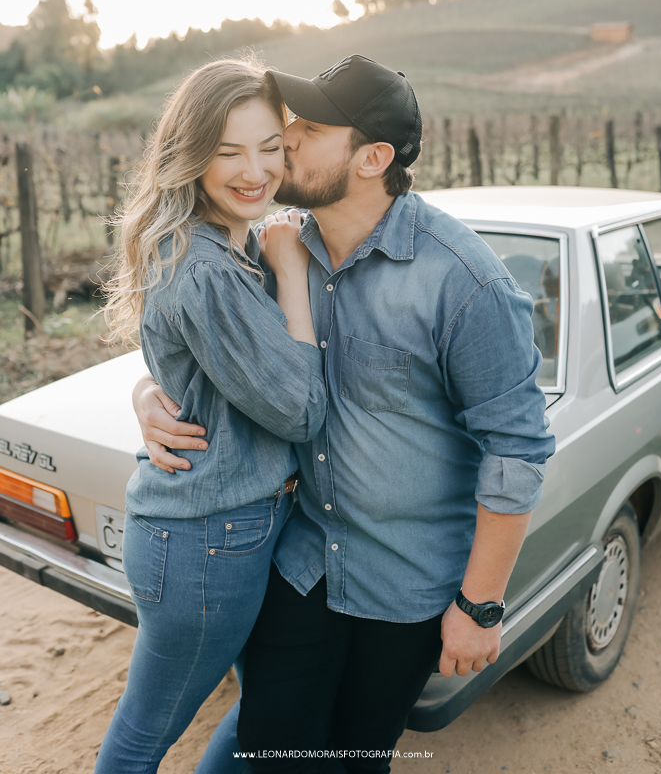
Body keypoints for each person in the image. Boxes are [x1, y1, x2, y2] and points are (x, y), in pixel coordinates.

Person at [134, 54, 555, 773]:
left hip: (406, 587)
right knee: (271, 753)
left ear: (372, 158)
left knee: (353, 761)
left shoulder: (463, 280)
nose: (284, 140)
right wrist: (147, 391)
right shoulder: (278, 248)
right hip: (298, 563)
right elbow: (207, 342)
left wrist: (480, 604)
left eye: (308, 127)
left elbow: (515, 450)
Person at [94, 57, 327, 773]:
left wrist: (144, 390)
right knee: (147, 731)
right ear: (190, 153)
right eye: (228, 152)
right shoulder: (209, 267)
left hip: (220, 528)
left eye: (268, 148)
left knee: (268, 709)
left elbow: (186, 365)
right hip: (206, 541)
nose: (254, 170)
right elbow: (297, 409)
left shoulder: (217, 238)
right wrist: (290, 272)